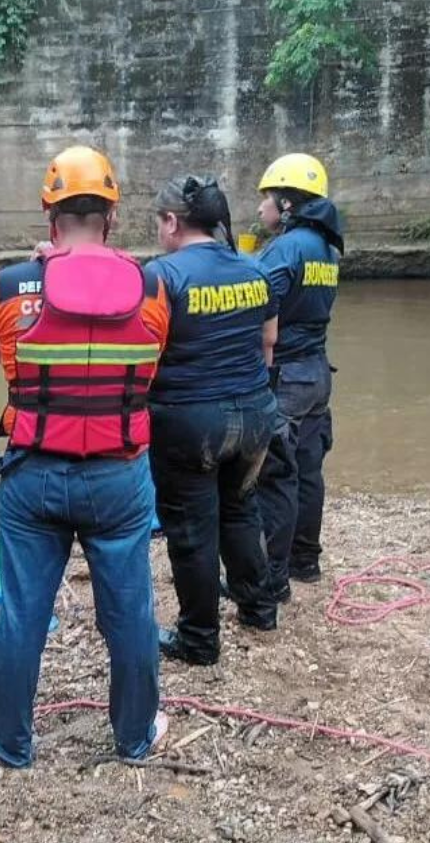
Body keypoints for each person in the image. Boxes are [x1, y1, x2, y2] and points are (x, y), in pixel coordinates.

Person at [0, 145, 171, 768]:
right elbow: (153, 361)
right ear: (111, 217)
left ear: (48, 217)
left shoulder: (8, 285)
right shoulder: (152, 286)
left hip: (32, 472)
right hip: (118, 474)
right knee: (131, 612)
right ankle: (135, 738)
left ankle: (9, 742)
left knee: (23, 613)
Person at [147, 175, 280, 666]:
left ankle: (199, 639)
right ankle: (259, 608)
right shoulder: (254, 270)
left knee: (191, 529)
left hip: (189, 419)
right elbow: (269, 343)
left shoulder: (163, 275)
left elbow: (145, 351)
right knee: (241, 508)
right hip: (256, 412)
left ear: (172, 221)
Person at [253, 154, 344, 595]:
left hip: (286, 373)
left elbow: (258, 304)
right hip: (317, 373)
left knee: (276, 473)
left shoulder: (287, 248)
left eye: (266, 199)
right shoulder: (326, 246)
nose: (260, 209)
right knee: (308, 469)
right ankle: (305, 561)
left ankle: (273, 575)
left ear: (287, 204)